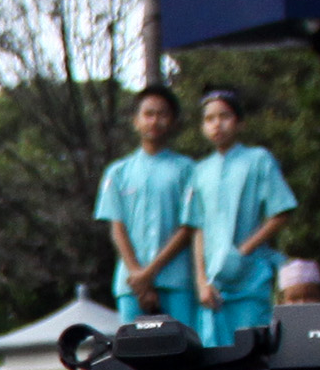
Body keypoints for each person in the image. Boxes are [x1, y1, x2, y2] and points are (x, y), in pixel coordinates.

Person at [186, 87, 296, 341]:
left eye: (224, 116)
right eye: (209, 119)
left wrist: (243, 251)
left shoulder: (258, 159)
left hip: (251, 275)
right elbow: (197, 227)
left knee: (253, 348)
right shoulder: (200, 171)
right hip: (214, 283)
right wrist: (201, 280)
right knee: (216, 353)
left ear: (239, 122)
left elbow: (282, 211)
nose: (217, 125)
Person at [95, 84, 199, 330]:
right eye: (148, 114)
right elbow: (117, 227)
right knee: (134, 356)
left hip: (177, 281)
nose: (155, 120)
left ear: (173, 121)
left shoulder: (187, 170)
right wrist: (138, 276)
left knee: (183, 352)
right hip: (131, 284)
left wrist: (150, 272)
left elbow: (188, 228)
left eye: (162, 114)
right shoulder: (118, 172)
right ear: (135, 121)